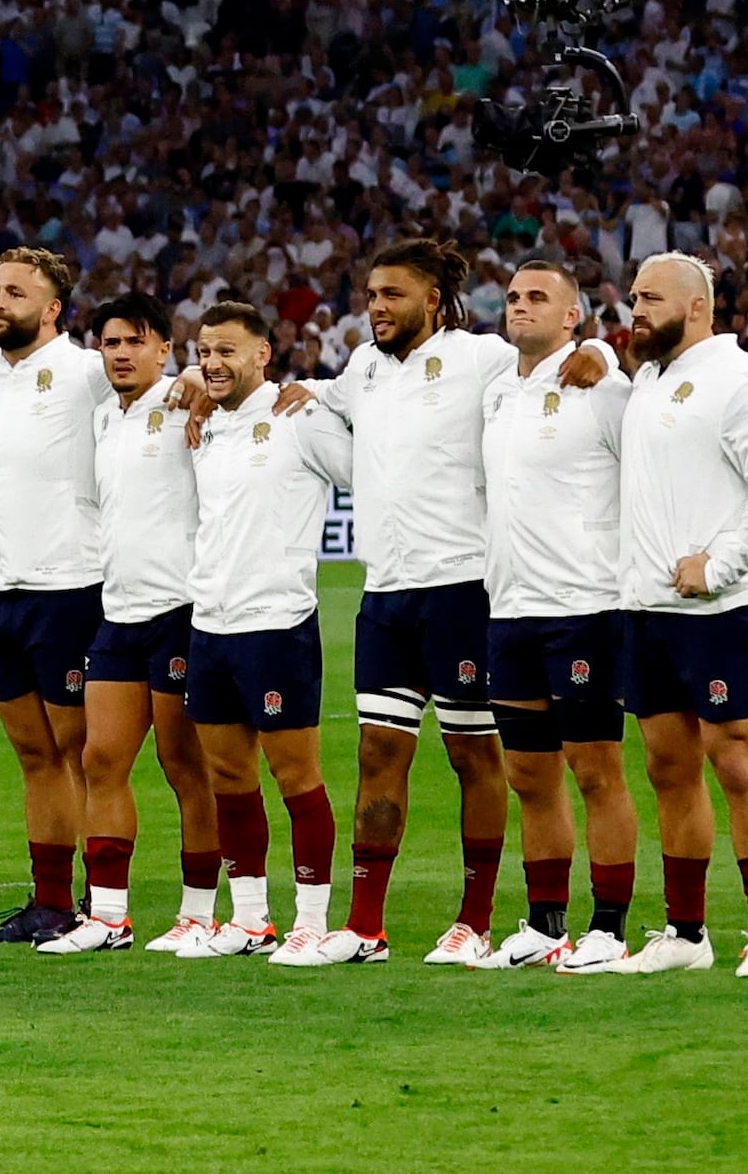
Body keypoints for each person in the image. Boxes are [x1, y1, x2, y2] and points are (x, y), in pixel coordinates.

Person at [611, 250, 748, 977]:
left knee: (737, 762)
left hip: (726, 609)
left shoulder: (742, 382)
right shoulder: (645, 384)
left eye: (651, 298)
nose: (636, 309)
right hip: (649, 609)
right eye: (633, 296)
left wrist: (718, 566)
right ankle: (687, 935)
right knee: (668, 766)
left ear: (697, 306)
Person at [320, 237, 513, 963]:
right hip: (386, 594)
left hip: (462, 587)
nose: (377, 308)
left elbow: (556, 364)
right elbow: (308, 399)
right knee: (377, 752)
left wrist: (603, 359)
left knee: (472, 757)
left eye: (392, 295)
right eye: (371, 296)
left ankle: (476, 919)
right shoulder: (363, 368)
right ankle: (365, 925)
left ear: (433, 299)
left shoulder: (480, 358)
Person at [179, 299, 356, 961]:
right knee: (227, 775)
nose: (213, 364)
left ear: (263, 355)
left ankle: (311, 918)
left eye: (227, 351)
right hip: (210, 623)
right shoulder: (206, 425)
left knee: (297, 777)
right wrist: (191, 391)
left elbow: (367, 466)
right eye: (204, 352)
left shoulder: (298, 417)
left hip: (278, 623)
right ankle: (250, 917)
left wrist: (331, 397)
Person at [473, 264, 632, 968]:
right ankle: (544, 924)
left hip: (584, 609)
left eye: (538, 297)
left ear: (573, 317)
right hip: (509, 610)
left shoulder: (604, 386)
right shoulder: (498, 393)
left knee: (596, 772)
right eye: (512, 297)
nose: (520, 307)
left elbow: (650, 458)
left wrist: (611, 352)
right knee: (529, 778)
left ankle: (611, 927)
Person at [59, 300, 222, 953]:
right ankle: (108, 915)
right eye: (110, 342)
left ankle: (200, 912)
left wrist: (195, 380)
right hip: (117, 609)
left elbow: (243, 396)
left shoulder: (192, 404)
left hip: (180, 608)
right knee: (101, 760)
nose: (121, 353)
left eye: (135, 341)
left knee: (185, 761)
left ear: (164, 349)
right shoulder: (101, 417)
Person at [0, 243, 116, 943]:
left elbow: (161, 383)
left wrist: (192, 389)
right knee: (33, 755)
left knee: (81, 752)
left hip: (68, 586)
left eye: (16, 294)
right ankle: (51, 902)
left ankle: (100, 903)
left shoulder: (88, 371)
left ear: (53, 309)